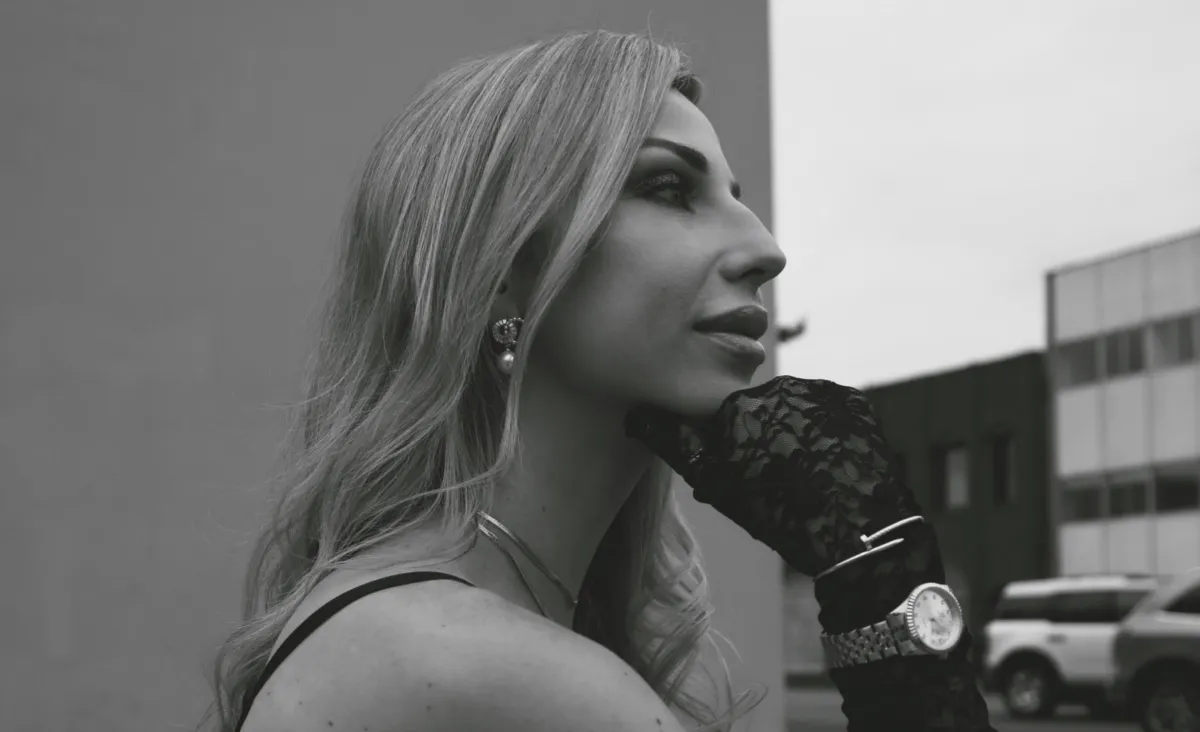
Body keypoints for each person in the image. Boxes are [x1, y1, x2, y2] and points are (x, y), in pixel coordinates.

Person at [200, 30, 996, 732]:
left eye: (735, 197)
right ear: (504, 269)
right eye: (669, 189)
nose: (766, 250)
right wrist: (879, 569)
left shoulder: (427, 619)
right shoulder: (493, 668)